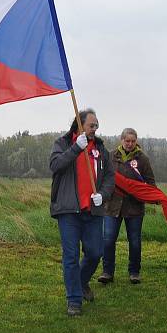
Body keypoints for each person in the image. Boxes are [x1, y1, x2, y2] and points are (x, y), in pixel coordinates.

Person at [50, 109, 115, 316]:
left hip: (92, 210)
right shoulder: (62, 143)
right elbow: (55, 165)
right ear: (80, 125)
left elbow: (109, 178)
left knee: (96, 252)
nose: (95, 129)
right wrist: (75, 149)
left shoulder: (100, 149)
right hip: (68, 210)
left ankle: (80, 282)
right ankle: (74, 301)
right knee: (71, 256)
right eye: (91, 125)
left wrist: (103, 195)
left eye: (97, 126)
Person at [97, 128, 155, 285]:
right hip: (112, 206)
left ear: (136, 141)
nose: (130, 144)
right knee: (108, 240)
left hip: (134, 207)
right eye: (127, 141)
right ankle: (107, 272)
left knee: (134, 241)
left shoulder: (142, 159)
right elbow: (102, 178)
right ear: (121, 140)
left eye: (133, 141)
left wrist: (142, 192)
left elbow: (150, 183)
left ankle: (134, 273)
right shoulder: (110, 156)